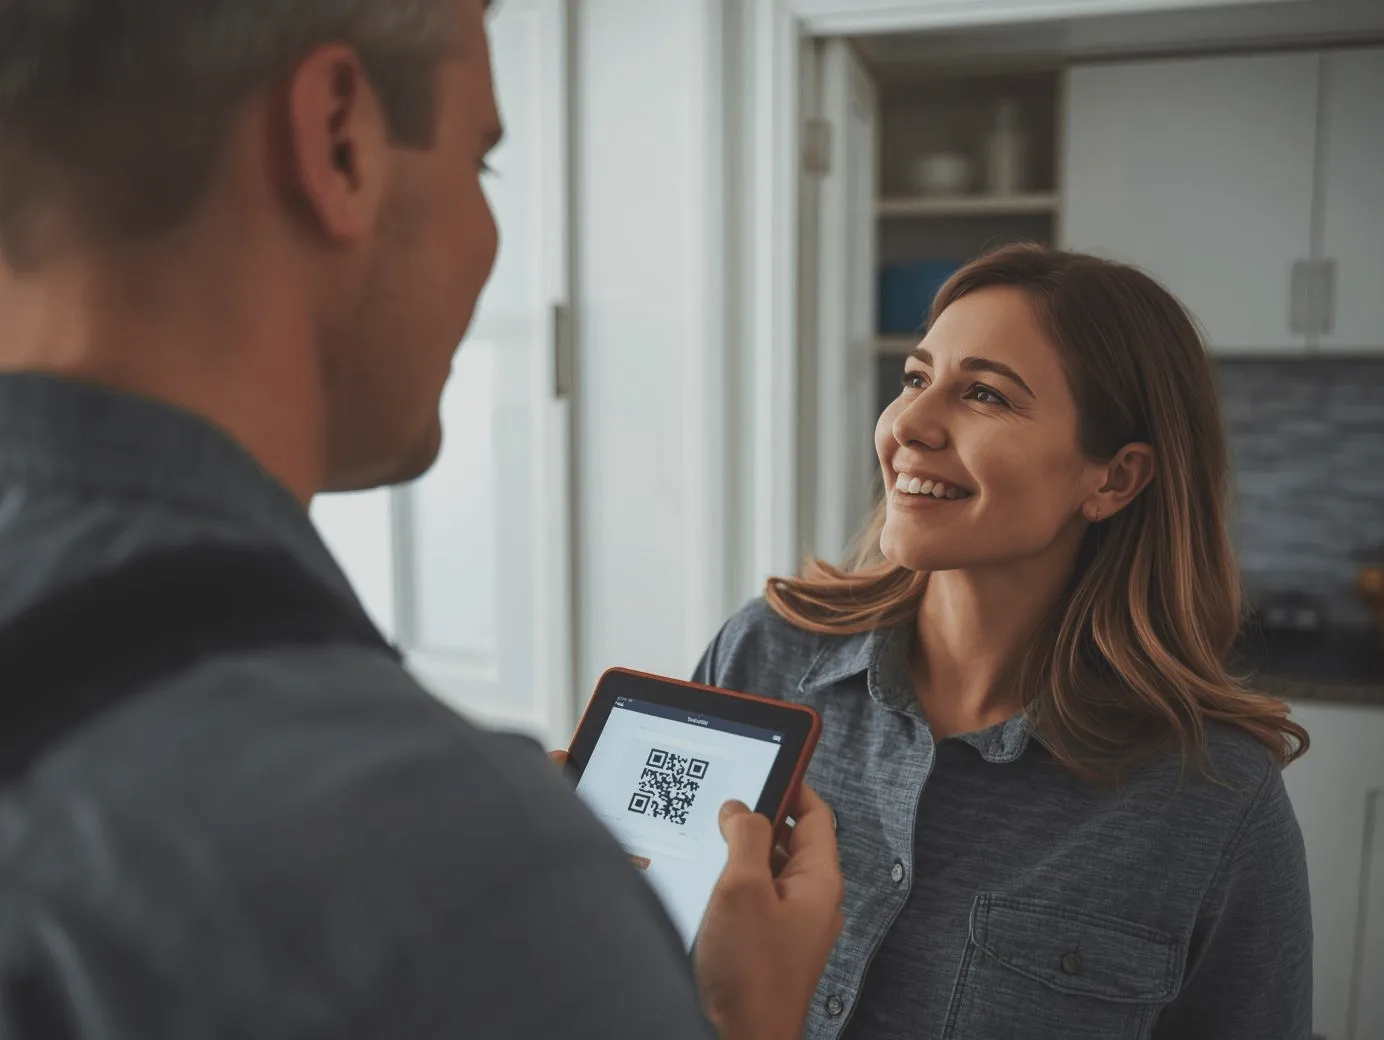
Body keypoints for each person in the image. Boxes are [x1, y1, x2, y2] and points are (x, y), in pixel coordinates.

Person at [0, 1, 844, 1037]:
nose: (490, 237)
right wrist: (739, 1017)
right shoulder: (461, 871)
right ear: (340, 141)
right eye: (481, 164)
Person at [694, 243, 1314, 1039]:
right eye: (917, 378)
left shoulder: (1216, 799)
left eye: (984, 394)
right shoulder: (762, 655)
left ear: (1115, 478)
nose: (908, 425)